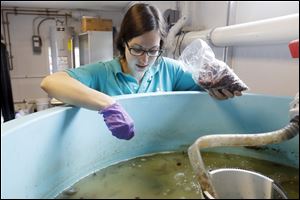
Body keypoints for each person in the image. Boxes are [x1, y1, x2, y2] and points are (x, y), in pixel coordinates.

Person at [41, 3, 242, 140]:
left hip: (160, 149)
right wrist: (107, 104)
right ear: (123, 42)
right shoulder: (103, 73)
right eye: (137, 49)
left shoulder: (167, 69)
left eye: (153, 50)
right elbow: (51, 82)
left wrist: (217, 81)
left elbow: (203, 79)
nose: (145, 60)